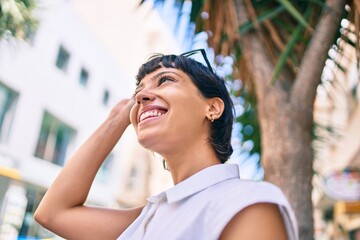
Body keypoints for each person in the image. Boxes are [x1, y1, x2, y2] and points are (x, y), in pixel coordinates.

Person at [34, 50, 299, 240]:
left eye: (166, 80)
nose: (141, 96)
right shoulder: (148, 218)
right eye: (138, 92)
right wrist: (118, 117)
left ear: (212, 107)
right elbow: (53, 213)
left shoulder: (247, 203)